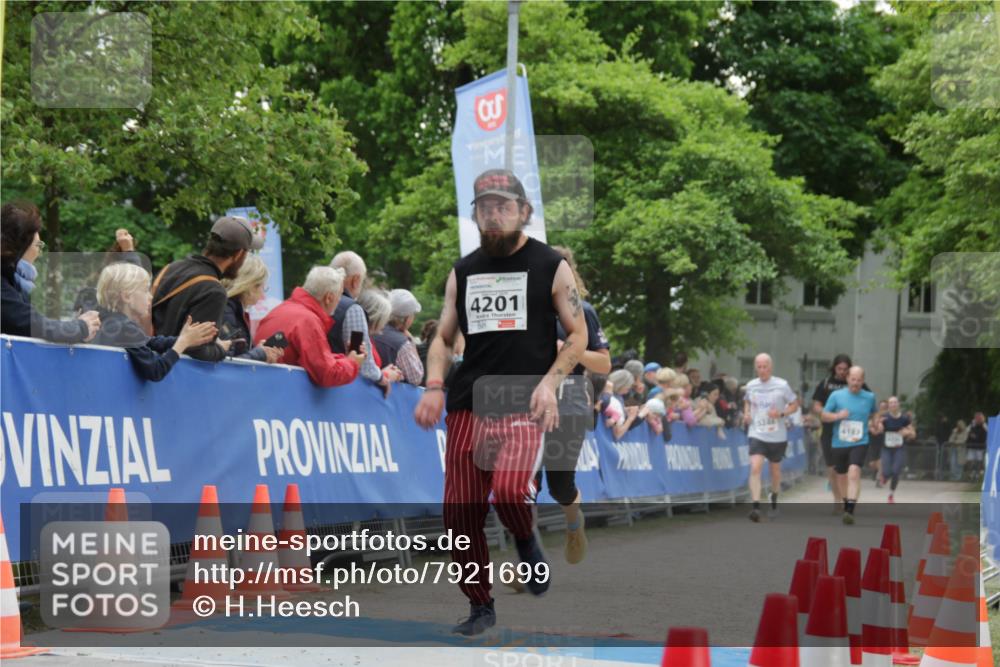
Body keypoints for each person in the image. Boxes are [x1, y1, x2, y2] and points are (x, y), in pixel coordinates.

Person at [413, 168, 588, 636]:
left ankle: (526, 540)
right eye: (483, 207)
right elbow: (442, 338)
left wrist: (550, 384)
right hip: (469, 402)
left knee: (511, 490)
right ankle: (480, 605)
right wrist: (433, 385)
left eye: (502, 206)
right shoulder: (463, 271)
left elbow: (578, 335)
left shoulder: (551, 264)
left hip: (523, 399)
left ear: (524, 211)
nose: (492, 215)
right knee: (459, 513)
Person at [528, 245, 612, 566]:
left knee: (561, 486)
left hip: (571, 401)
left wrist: (569, 350)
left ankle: (574, 525)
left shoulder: (582, 311)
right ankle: (529, 561)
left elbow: (604, 364)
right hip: (531, 400)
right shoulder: (526, 312)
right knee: (525, 485)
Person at [152, 216, 263, 362]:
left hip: (147, 364)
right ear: (239, 254)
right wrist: (221, 349)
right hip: (174, 375)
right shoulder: (214, 291)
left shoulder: (171, 268)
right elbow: (196, 350)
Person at [92, 263, 218, 381]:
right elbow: (156, 370)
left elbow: (148, 342)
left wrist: (185, 338)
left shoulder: (106, 320)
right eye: (145, 290)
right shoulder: (125, 328)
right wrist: (182, 343)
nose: (150, 297)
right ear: (127, 297)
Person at [1, 201, 100, 343]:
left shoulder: (12, 284)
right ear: (19, 247)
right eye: (38, 245)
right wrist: (81, 327)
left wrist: (77, 330)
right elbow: (34, 325)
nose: (40, 253)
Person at [254, 266, 364, 388]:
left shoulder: (281, 309)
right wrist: (352, 363)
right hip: (282, 395)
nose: (339, 302)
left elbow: (314, 359)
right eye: (339, 297)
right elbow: (327, 374)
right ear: (329, 298)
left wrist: (345, 359)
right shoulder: (308, 321)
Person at [742, 353, 799, 522]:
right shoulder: (751, 385)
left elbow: (795, 405)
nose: (762, 370)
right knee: (755, 467)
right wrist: (746, 413)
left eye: (764, 366)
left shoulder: (782, 385)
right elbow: (747, 401)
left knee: (775, 471)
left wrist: (781, 413)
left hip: (777, 435)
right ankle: (756, 507)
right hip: (757, 432)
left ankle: (774, 500)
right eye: (758, 367)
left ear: (770, 367)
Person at [328, 251, 392, 397]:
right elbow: (362, 359)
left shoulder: (318, 300)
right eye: (362, 281)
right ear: (355, 280)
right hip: (342, 392)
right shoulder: (352, 309)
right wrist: (382, 378)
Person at [821, 366, 877, 525]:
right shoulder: (836, 395)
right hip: (839, 442)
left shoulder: (869, 397)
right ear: (847, 379)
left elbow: (875, 412)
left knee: (854, 471)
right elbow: (824, 416)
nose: (856, 383)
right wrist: (838, 415)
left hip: (860, 441)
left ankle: (850, 509)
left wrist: (875, 423)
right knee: (841, 476)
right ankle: (846, 503)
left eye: (859, 380)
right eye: (853, 379)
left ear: (863, 381)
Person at [811, 354, 867, 514]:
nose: (842, 372)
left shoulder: (856, 382)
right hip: (830, 429)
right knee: (833, 468)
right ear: (834, 368)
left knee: (852, 468)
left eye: (845, 369)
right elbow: (816, 405)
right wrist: (826, 413)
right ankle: (838, 500)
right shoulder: (826, 384)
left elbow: (868, 401)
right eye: (839, 369)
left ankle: (850, 499)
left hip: (853, 431)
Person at [221, 255, 283, 363]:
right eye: (262, 286)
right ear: (250, 285)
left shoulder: (232, 309)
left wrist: (258, 350)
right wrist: (260, 353)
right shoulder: (226, 311)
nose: (263, 293)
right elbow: (226, 362)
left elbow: (235, 355)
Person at [355, 288, 404, 393]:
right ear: (376, 318)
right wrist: (385, 375)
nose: (385, 323)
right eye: (384, 318)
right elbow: (357, 373)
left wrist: (385, 373)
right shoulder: (357, 338)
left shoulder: (367, 337)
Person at [373, 288, 424, 386]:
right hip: (389, 397)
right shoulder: (403, 343)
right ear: (407, 318)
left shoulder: (371, 329)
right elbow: (416, 378)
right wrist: (412, 343)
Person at [873, 396, 916, 503]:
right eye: (891, 403)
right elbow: (876, 429)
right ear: (888, 405)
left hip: (899, 449)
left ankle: (891, 495)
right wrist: (879, 424)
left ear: (898, 404)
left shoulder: (904, 418)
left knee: (896, 472)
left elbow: (913, 433)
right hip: (886, 448)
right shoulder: (885, 417)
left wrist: (908, 433)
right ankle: (884, 476)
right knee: (887, 472)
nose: (893, 404)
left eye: (895, 402)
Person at [869, 400, 888, 486]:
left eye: (884, 406)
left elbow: (882, 429)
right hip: (873, 442)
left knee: (880, 460)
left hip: (882, 441)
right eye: (881, 406)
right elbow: (872, 429)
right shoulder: (874, 416)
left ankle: (879, 478)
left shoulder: (888, 417)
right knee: (872, 463)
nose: (883, 408)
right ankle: (878, 472)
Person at [966, 412, 989, 480]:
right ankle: (971, 473)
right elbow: (967, 431)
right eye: (976, 418)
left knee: (979, 461)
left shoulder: (984, 426)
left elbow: (987, 433)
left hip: (980, 447)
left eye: (980, 418)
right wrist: (970, 434)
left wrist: (976, 437)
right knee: (970, 460)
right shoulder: (972, 425)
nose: (978, 420)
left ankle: (977, 474)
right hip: (972, 447)